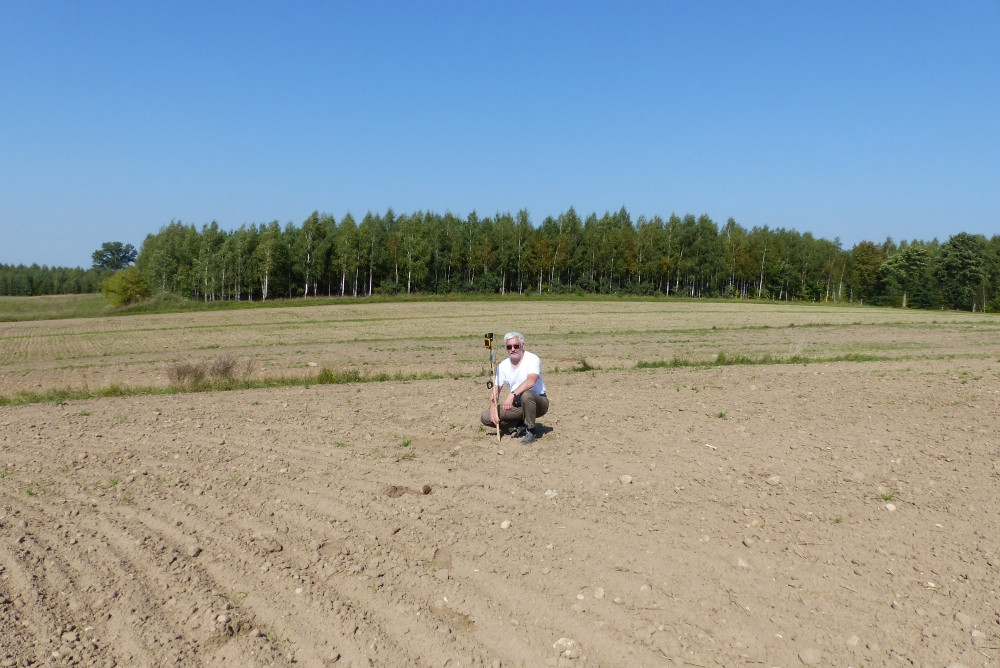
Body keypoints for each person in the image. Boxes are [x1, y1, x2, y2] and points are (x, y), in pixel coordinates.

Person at [481, 331, 549, 443]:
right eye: (509, 347)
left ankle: (531, 431)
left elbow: (531, 382)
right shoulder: (503, 366)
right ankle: (518, 426)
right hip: (518, 405)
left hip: (538, 402)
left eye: (516, 346)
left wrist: (512, 395)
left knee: (526, 395)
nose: (513, 349)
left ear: (522, 346)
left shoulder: (532, 359)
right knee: (486, 417)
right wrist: (493, 407)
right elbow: (496, 389)